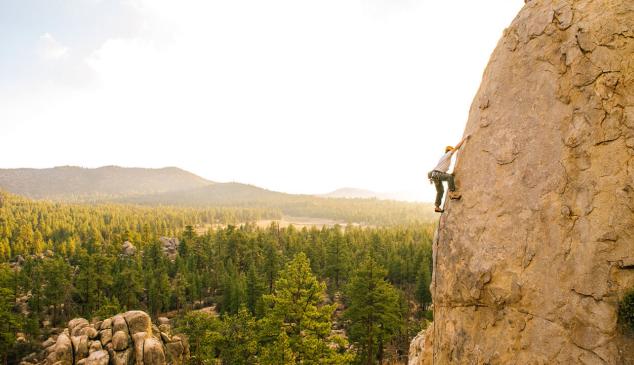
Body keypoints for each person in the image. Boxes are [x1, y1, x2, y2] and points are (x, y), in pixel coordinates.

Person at [429, 135, 470, 213]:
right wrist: (464, 139)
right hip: (437, 174)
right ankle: (452, 193)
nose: (453, 152)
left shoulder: (443, 158)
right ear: (449, 151)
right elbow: (456, 147)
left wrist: (430, 178)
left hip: (435, 175)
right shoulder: (448, 155)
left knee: (440, 191)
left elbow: (437, 170)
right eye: (452, 151)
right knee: (449, 177)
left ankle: (437, 207)